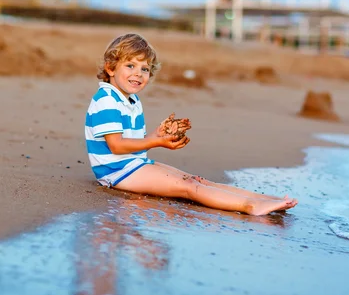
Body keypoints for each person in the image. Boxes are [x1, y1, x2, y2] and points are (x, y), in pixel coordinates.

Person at [85, 33, 298, 216]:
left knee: (197, 179)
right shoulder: (107, 99)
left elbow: (133, 142)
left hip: (132, 164)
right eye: (130, 65)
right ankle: (251, 206)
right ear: (110, 68)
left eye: (145, 69)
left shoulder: (130, 99)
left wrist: (158, 135)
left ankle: (265, 198)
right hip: (116, 171)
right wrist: (155, 141)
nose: (138, 74)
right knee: (188, 187)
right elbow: (116, 146)